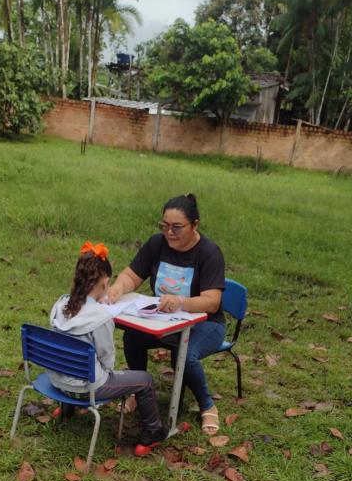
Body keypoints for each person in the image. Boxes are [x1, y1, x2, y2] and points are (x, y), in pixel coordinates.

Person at [106, 194, 225, 434]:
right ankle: (139, 390)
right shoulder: (156, 244)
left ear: (195, 225)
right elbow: (131, 276)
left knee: (185, 355)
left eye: (177, 227)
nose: (169, 232)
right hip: (163, 321)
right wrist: (118, 287)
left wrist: (181, 302)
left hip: (206, 324)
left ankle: (207, 405)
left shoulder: (209, 252)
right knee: (132, 338)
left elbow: (212, 303)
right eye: (165, 226)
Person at [49, 241, 167, 455]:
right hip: (88, 389)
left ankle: (67, 408)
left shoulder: (60, 306)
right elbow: (108, 363)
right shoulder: (101, 318)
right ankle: (153, 431)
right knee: (145, 380)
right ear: (105, 283)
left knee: (76, 362)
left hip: (58, 382)